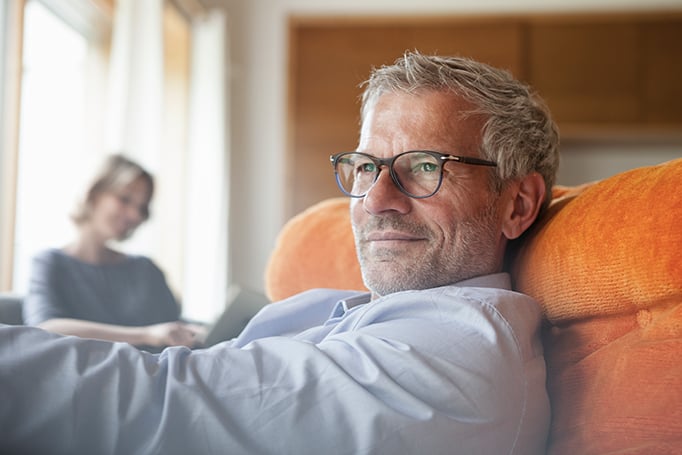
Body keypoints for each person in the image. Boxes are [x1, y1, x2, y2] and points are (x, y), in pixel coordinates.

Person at [0, 52, 559, 454]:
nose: (377, 199)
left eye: (425, 167)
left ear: (517, 204)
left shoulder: (452, 361)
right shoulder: (387, 313)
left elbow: (158, 404)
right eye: (366, 167)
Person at [22, 154, 204, 350]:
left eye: (142, 207)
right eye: (125, 199)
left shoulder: (146, 269)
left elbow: (174, 326)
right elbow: (45, 329)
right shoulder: (51, 263)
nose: (135, 215)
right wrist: (147, 335)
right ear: (94, 193)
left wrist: (201, 332)